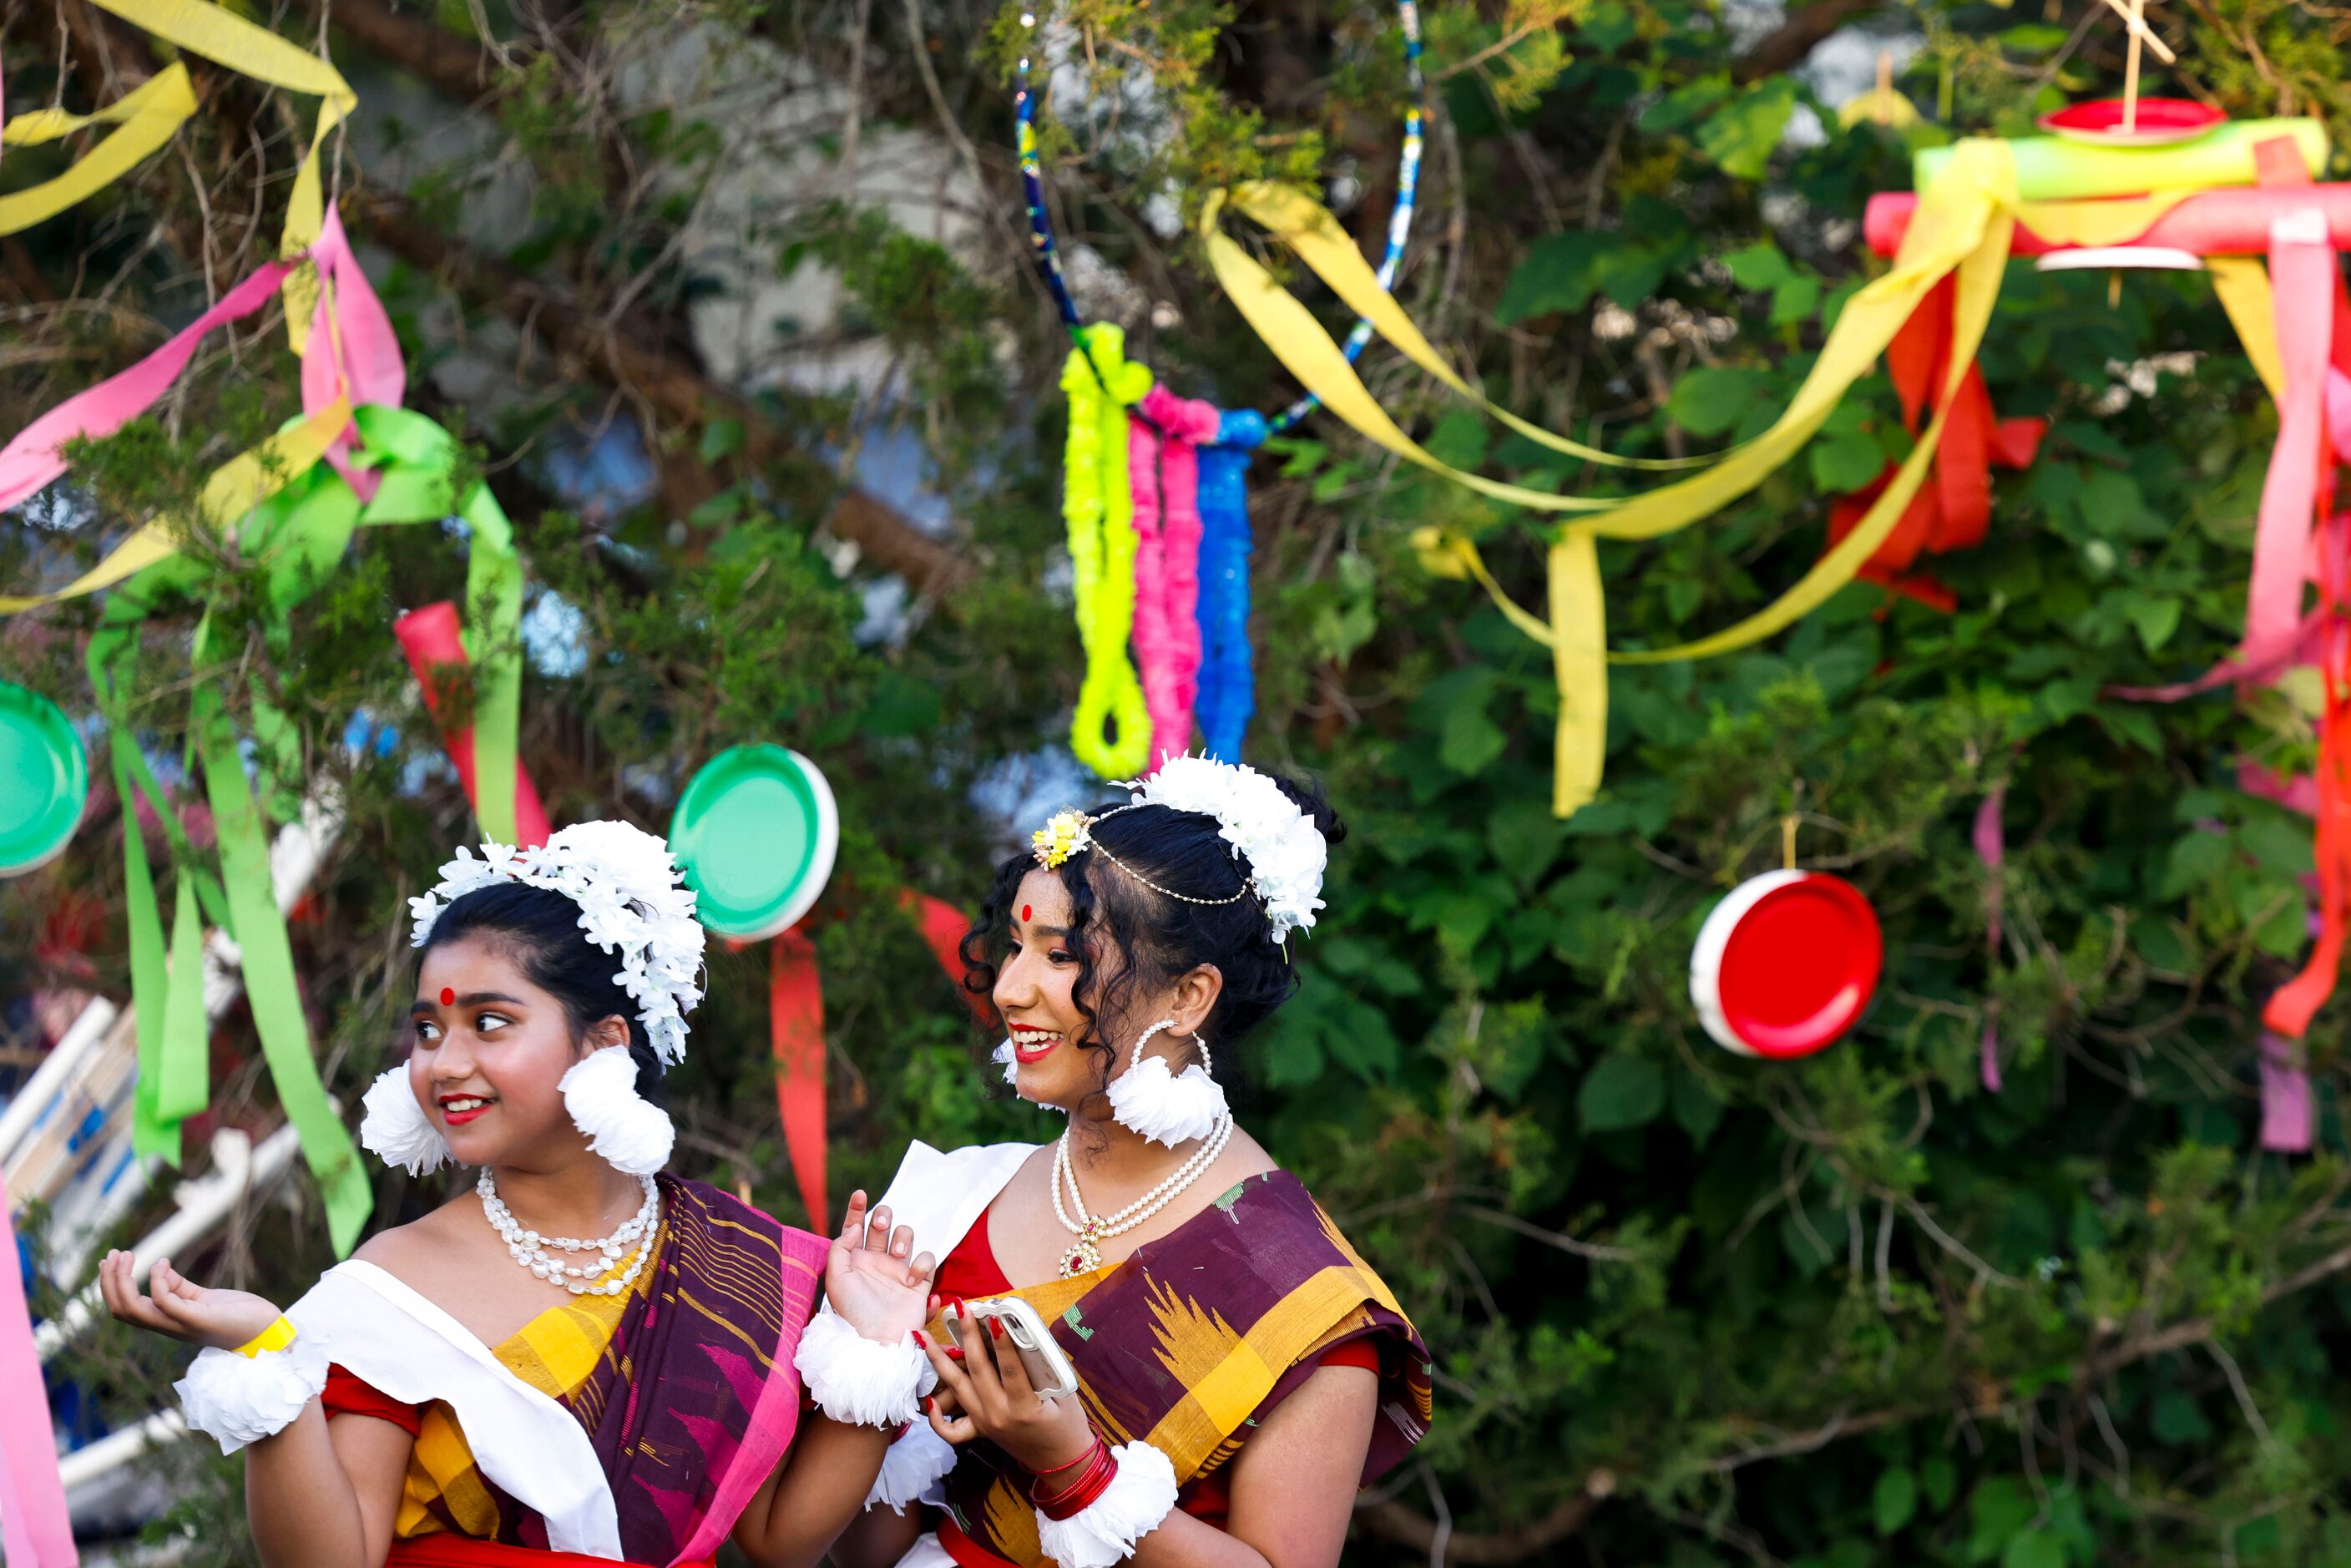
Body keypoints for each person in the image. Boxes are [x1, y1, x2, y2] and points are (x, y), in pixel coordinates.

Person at [102, 821, 942, 1568]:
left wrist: (870, 1348)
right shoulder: (393, 1289)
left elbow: (778, 1543)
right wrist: (264, 1354)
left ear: (604, 1043)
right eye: (428, 1029)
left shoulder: (741, 1265)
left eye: (489, 1023)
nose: (444, 1063)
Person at [832, 756, 1433, 1568]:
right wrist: (869, 1379)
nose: (1008, 989)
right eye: (1014, 946)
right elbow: (867, 1548)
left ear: (1187, 998)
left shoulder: (1304, 1300)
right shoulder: (953, 1202)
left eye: (1059, 955)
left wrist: (1072, 1470)